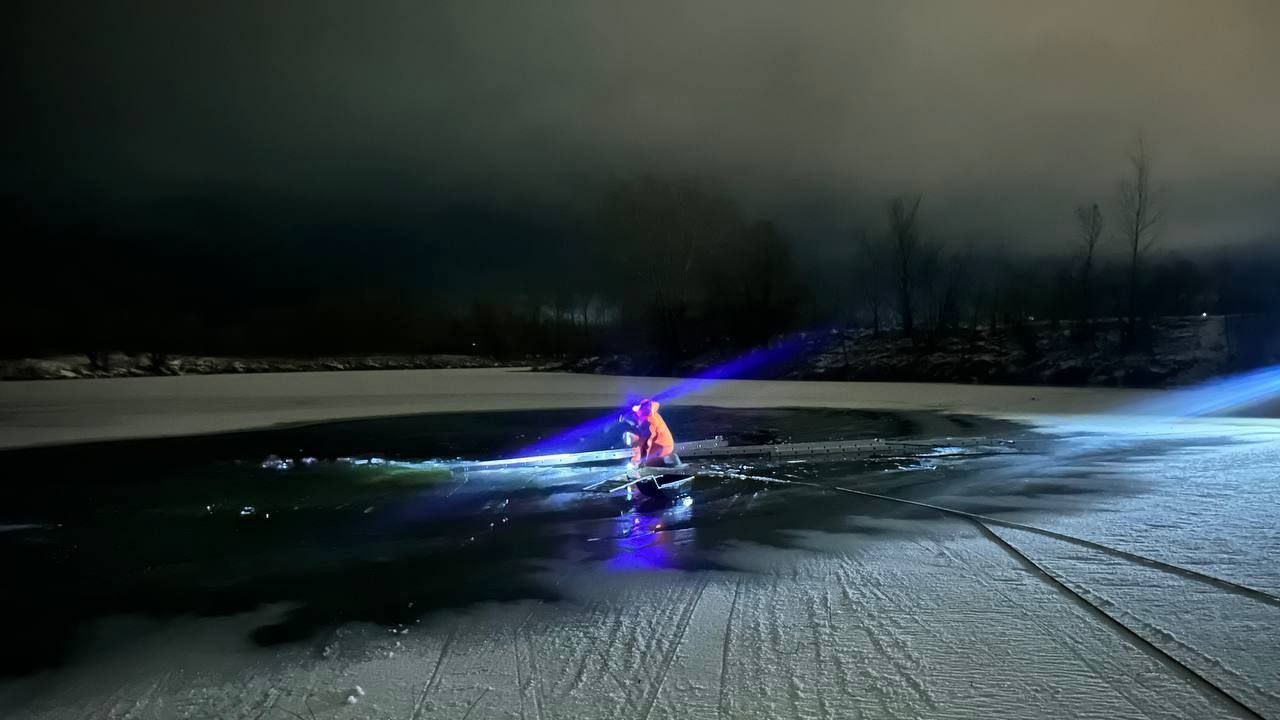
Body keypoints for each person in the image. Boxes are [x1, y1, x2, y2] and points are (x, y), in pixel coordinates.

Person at [621, 399, 680, 468]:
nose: (630, 423)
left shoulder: (649, 421)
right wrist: (635, 460)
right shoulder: (643, 419)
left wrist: (642, 461)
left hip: (662, 448)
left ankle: (668, 461)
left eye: (629, 419)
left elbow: (647, 443)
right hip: (661, 448)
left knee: (650, 464)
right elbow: (640, 445)